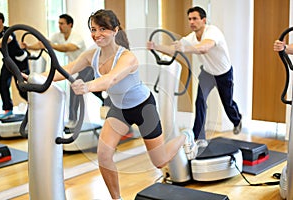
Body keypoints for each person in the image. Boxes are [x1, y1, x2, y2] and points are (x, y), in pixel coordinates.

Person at [23, 9, 194, 200]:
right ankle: (117, 199)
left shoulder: (127, 57)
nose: (97, 34)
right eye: (93, 29)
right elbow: (66, 70)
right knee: (104, 155)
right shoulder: (91, 56)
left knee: (160, 161)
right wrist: (36, 78)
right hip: (120, 110)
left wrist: (87, 86)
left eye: (102, 29)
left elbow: (111, 80)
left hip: (143, 108)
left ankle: (186, 135)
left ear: (115, 30)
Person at [147, 6, 242, 148]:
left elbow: (204, 48)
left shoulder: (212, 31)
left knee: (227, 103)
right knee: (200, 102)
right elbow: (174, 49)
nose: (191, 22)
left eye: (195, 19)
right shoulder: (191, 38)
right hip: (207, 73)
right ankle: (199, 137)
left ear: (203, 20)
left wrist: (185, 48)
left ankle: (237, 120)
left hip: (224, 74)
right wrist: (156, 46)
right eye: (190, 19)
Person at [21, 14, 94, 128]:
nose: (59, 26)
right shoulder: (58, 36)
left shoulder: (76, 37)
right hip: (74, 68)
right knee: (77, 90)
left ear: (70, 25)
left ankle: (75, 118)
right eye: (58, 23)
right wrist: (28, 46)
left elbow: (67, 48)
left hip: (87, 68)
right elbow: (43, 44)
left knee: (79, 90)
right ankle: (72, 119)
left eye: (62, 23)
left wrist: (51, 45)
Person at [0, 11, 29, 119]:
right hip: (8, 61)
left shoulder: (8, 31)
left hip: (19, 62)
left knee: (22, 87)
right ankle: (8, 109)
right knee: (2, 83)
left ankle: (35, 104)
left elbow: (1, 43)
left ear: (0, 21)